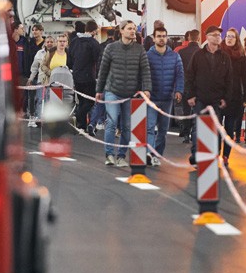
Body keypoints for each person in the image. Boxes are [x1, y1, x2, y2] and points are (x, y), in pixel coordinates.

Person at [95, 20, 151, 167]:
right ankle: (109, 155)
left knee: (127, 126)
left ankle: (121, 156)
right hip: (112, 91)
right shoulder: (110, 48)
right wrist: (99, 91)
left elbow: (145, 70)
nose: (133, 31)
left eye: (134, 29)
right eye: (129, 28)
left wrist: (147, 89)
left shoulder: (140, 49)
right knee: (112, 123)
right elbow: (103, 71)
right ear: (121, 30)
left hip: (130, 93)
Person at [184, 26, 233, 164]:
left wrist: (226, 98)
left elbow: (229, 79)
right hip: (200, 97)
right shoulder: (198, 55)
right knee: (198, 128)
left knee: (215, 129)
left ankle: (213, 155)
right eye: (214, 34)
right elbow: (190, 76)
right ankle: (195, 154)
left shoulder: (224, 57)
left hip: (217, 99)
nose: (218, 37)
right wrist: (190, 95)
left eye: (219, 35)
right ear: (207, 37)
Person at [145, 25, 184, 165]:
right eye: (159, 36)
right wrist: (145, 89)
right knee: (149, 128)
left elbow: (180, 74)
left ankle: (157, 155)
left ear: (167, 38)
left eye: (164, 36)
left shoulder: (175, 56)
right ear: (154, 38)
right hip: (151, 99)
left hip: (167, 99)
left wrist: (179, 90)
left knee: (163, 130)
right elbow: (144, 75)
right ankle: (149, 153)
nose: (162, 39)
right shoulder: (147, 56)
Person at [220, 28, 246, 164]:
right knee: (216, 127)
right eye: (227, 36)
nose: (229, 38)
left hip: (234, 97)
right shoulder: (219, 52)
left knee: (229, 128)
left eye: (232, 37)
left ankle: (226, 155)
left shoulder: (241, 56)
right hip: (219, 95)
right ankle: (215, 152)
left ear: (236, 39)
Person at [67, 20, 102, 131]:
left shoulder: (74, 41)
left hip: (76, 76)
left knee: (81, 101)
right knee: (91, 101)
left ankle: (81, 125)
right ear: (94, 31)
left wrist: (74, 69)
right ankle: (80, 117)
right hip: (89, 77)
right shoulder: (93, 43)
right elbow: (98, 60)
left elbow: (69, 59)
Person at [176, 29, 201, 144]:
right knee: (197, 111)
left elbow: (179, 71)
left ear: (189, 38)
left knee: (186, 110)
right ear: (199, 38)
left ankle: (186, 134)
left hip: (185, 85)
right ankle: (194, 133)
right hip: (199, 87)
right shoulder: (202, 52)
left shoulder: (181, 52)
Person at [27, 36, 56, 126]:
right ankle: (39, 119)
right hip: (41, 80)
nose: (49, 43)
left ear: (54, 43)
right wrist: (31, 78)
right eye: (48, 42)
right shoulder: (39, 53)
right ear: (45, 43)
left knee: (52, 101)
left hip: (55, 81)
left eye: (51, 41)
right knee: (40, 100)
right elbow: (34, 68)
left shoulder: (58, 53)